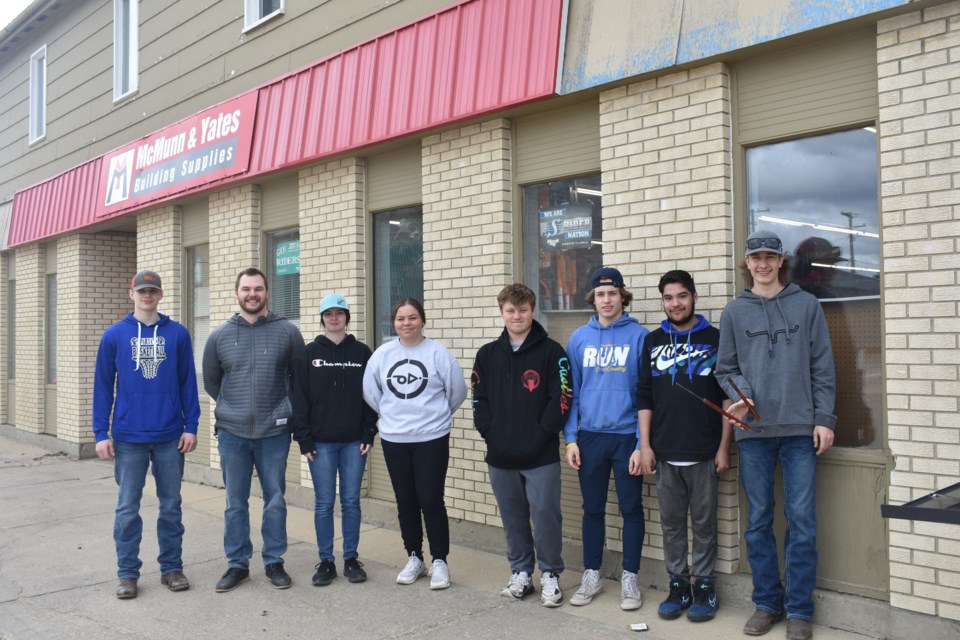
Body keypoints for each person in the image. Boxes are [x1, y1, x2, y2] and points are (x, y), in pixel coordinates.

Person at [716, 230, 836, 640]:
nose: (763, 264)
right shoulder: (735, 312)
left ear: (780, 260)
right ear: (746, 263)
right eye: (756, 258)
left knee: (802, 522)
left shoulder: (807, 306)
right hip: (755, 432)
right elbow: (724, 369)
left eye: (770, 256)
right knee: (759, 521)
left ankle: (800, 610)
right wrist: (744, 395)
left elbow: (823, 366)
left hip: (801, 429)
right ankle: (767, 603)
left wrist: (825, 418)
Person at [93, 270, 201, 599]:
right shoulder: (115, 336)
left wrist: (191, 425)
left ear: (161, 294)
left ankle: (172, 568)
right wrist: (101, 432)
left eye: (153, 290)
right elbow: (102, 386)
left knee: (171, 506)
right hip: (128, 436)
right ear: (132, 294)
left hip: (170, 435)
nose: (147, 296)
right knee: (127, 508)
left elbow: (188, 384)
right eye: (142, 291)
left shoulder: (178, 334)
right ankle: (127, 574)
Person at [633, 270, 732, 623]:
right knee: (672, 525)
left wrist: (723, 448)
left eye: (682, 296)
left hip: (704, 451)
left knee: (704, 525)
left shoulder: (716, 339)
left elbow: (726, 399)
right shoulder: (652, 341)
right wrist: (645, 445)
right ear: (663, 301)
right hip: (664, 452)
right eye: (669, 297)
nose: (676, 303)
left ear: (694, 297)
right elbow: (644, 396)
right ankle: (678, 584)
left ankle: (704, 586)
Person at [202, 267, 304, 593]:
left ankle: (274, 561)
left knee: (275, 499)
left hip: (274, 433)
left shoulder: (287, 332)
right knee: (235, 502)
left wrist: (282, 411)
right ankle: (237, 564)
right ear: (237, 293)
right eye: (246, 289)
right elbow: (212, 382)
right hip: (232, 434)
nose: (252, 294)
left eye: (258, 288)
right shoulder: (219, 336)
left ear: (266, 292)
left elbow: (297, 380)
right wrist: (235, 410)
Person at [471, 284, 573, 607]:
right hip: (500, 455)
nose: (517, 316)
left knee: (545, 515)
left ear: (533, 310)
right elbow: (479, 399)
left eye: (523, 309)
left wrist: (541, 434)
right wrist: (490, 433)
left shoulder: (553, 352)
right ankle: (521, 572)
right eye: (511, 310)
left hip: (540, 454)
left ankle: (551, 575)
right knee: (513, 515)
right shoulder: (487, 354)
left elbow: (562, 397)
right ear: (502, 312)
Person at [362, 298, 467, 590]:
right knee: (405, 501)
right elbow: (371, 394)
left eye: (412, 318)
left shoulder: (438, 353)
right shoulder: (382, 355)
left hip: (431, 439)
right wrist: (392, 417)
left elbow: (456, 391)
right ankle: (414, 557)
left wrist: (434, 417)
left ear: (422, 320)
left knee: (431, 500)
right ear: (393, 323)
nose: (406, 323)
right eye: (400, 319)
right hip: (395, 440)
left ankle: (440, 561)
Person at [563, 267, 649, 611]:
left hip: (627, 437)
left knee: (631, 508)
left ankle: (630, 578)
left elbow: (646, 396)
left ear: (622, 297)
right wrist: (571, 439)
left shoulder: (640, 336)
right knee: (592, 509)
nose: (607, 300)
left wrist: (643, 444)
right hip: (590, 437)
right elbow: (572, 393)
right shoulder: (579, 338)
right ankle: (592, 575)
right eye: (600, 295)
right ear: (593, 299)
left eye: (612, 294)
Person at [292, 293, 378, 587]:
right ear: (322, 319)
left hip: (355, 442)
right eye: (328, 314)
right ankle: (326, 561)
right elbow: (299, 399)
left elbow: (371, 397)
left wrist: (369, 431)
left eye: (339, 313)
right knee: (324, 503)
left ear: (347, 318)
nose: (334, 318)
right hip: (321, 443)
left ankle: (351, 559)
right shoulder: (308, 353)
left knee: (351, 502)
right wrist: (304, 439)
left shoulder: (362, 353)